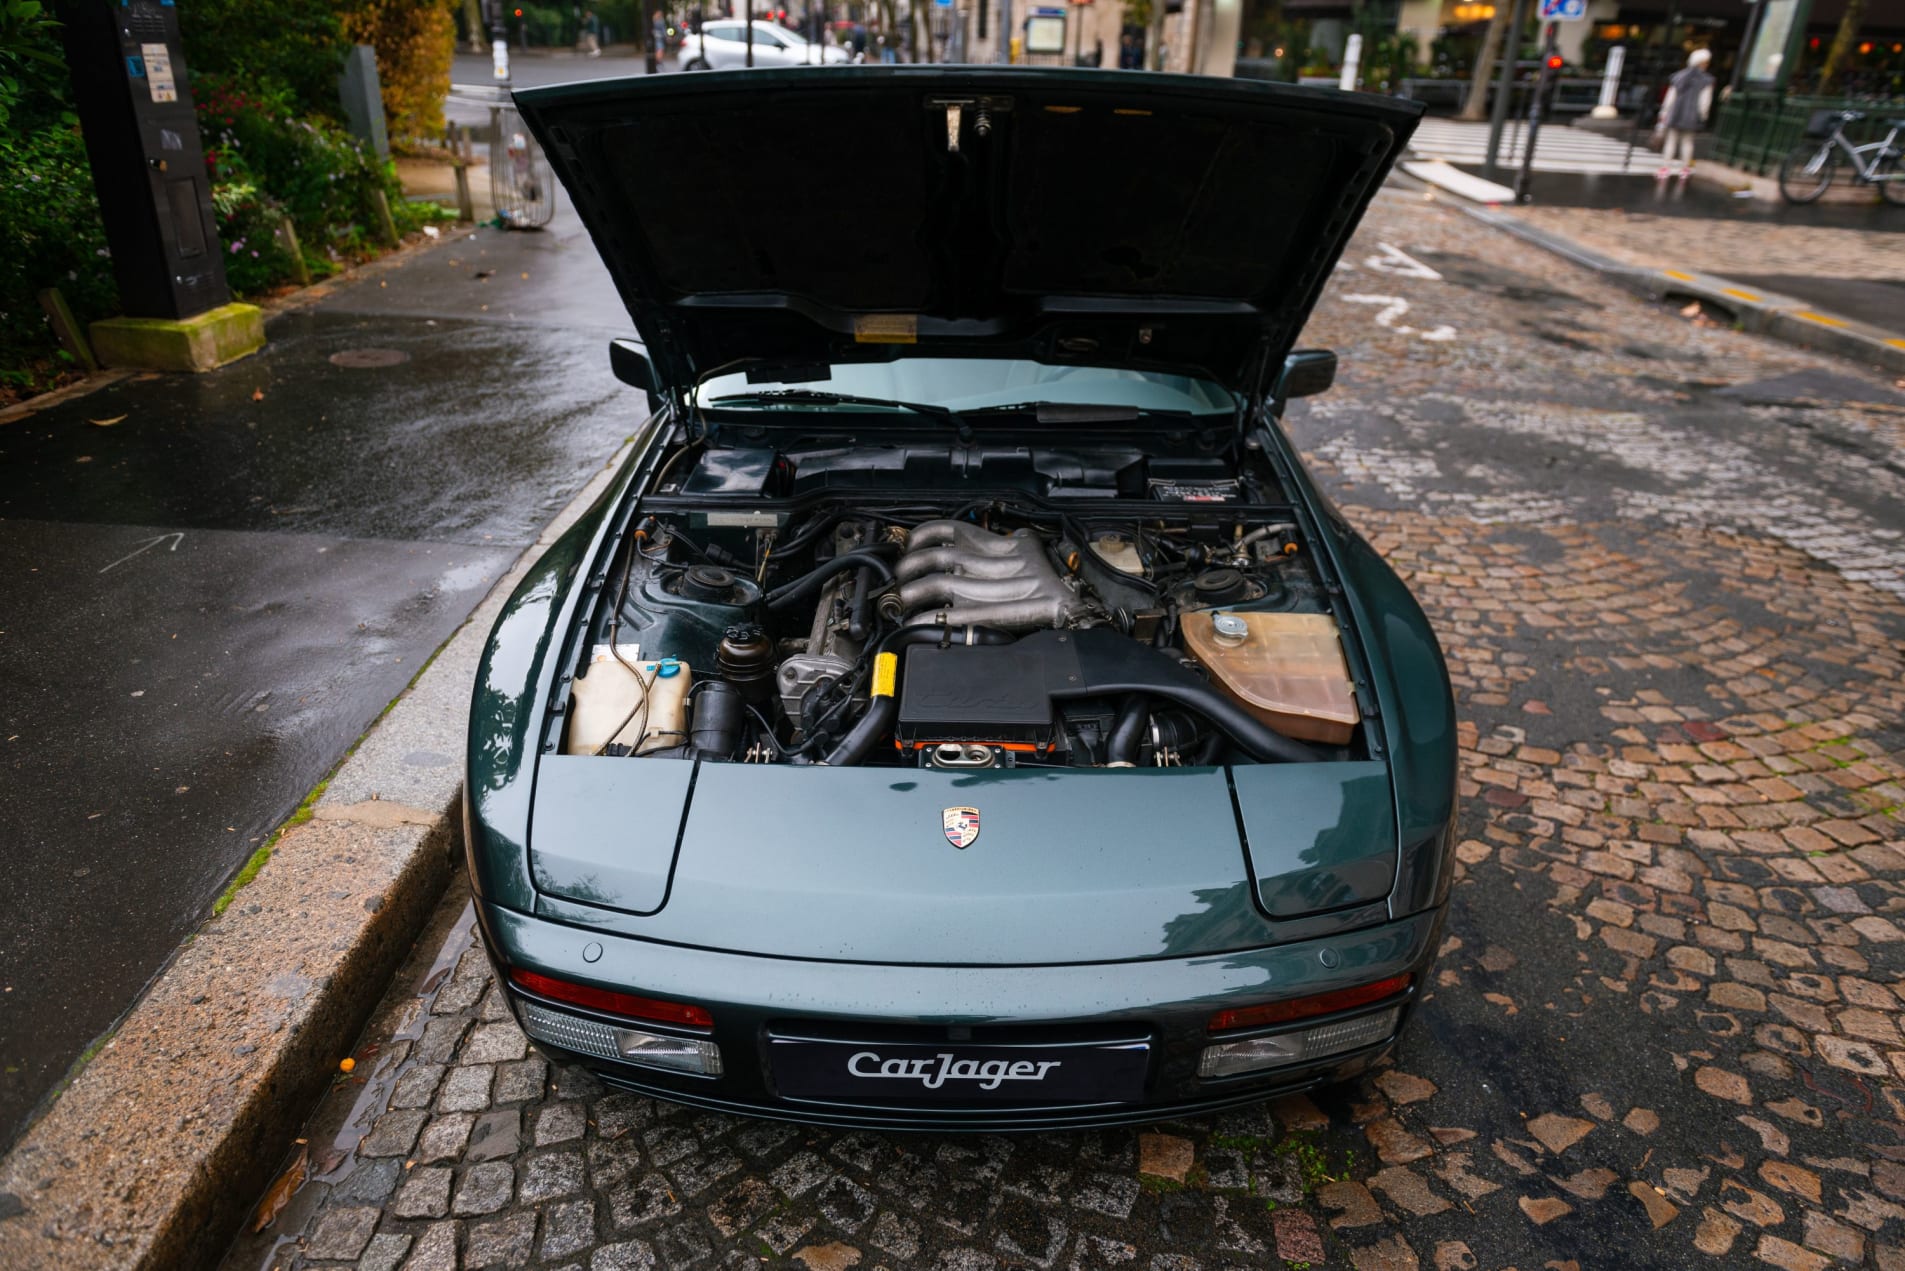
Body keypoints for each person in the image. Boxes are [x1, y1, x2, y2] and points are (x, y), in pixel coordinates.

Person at [1655, 48, 1715, 180]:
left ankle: (1665, 168)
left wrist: (1664, 111)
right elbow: (1704, 101)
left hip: (1675, 112)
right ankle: (1684, 168)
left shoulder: (1679, 76)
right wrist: (1703, 115)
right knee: (1687, 142)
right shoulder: (1706, 80)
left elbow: (1670, 97)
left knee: (1671, 141)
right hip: (1692, 115)